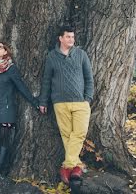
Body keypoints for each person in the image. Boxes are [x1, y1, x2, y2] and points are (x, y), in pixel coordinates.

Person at [38, 25, 94, 185]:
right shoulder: (51, 57)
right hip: (60, 102)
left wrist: (87, 99)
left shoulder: (81, 55)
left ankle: (67, 166)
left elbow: (89, 79)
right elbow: (46, 81)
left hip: (81, 103)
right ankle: (76, 167)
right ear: (60, 38)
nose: (71, 39)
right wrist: (43, 101)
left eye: (72, 37)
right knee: (67, 135)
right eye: (68, 37)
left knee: (80, 133)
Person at [0, 41, 39, 174]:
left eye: (0, 47)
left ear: (6, 51)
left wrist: (34, 101)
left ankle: (0, 166)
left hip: (5, 107)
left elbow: (20, 86)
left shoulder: (11, 68)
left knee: (3, 136)